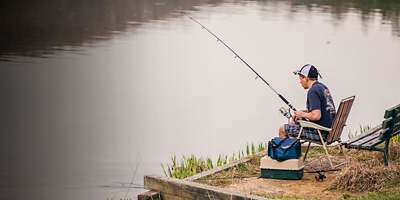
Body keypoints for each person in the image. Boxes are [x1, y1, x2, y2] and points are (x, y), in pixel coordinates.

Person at [278, 64, 336, 141]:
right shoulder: (322, 87)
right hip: (331, 131)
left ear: (306, 78)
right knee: (294, 124)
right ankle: (293, 150)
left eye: (300, 79)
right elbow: (320, 109)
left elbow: (316, 116)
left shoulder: (313, 91)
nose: (300, 82)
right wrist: (302, 113)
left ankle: (288, 152)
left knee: (282, 129)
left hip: (322, 134)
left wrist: (302, 114)